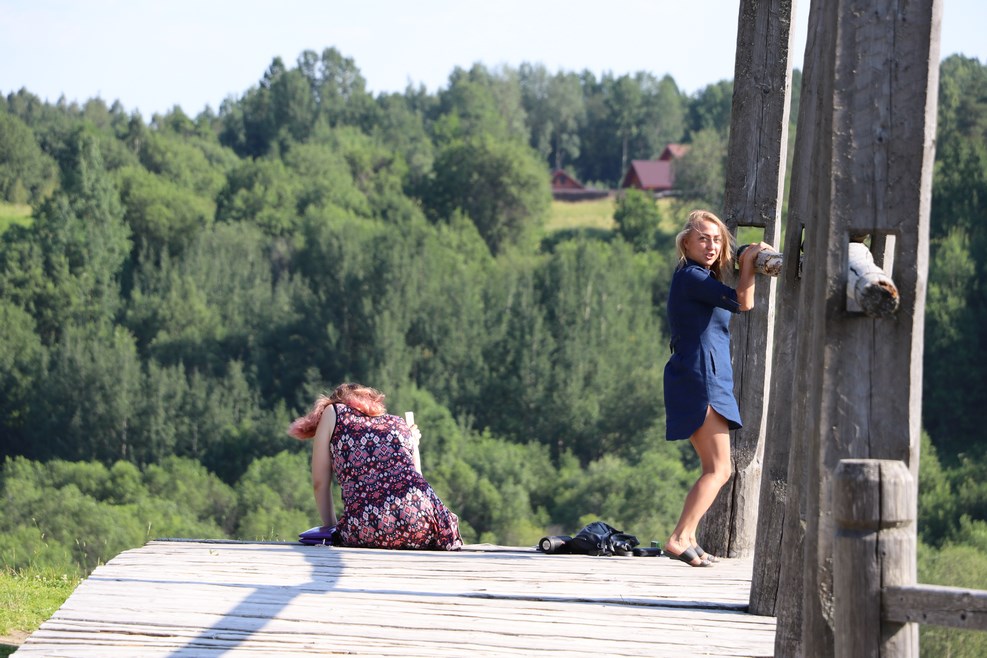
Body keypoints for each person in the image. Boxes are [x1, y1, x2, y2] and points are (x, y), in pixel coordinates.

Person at [662, 210, 771, 567]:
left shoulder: (697, 278)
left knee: (713, 466)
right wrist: (750, 262)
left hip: (701, 376)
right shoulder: (692, 276)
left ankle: (689, 538)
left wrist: (743, 263)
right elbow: (743, 301)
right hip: (701, 380)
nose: (711, 246)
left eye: (717, 239)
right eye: (703, 239)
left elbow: (730, 297)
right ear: (686, 243)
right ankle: (679, 537)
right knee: (720, 469)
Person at [288, 382, 463, 550]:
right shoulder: (399, 423)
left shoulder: (333, 411)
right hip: (421, 524)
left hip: (364, 528)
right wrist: (413, 444)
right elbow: (418, 478)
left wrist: (331, 529)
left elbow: (319, 483)